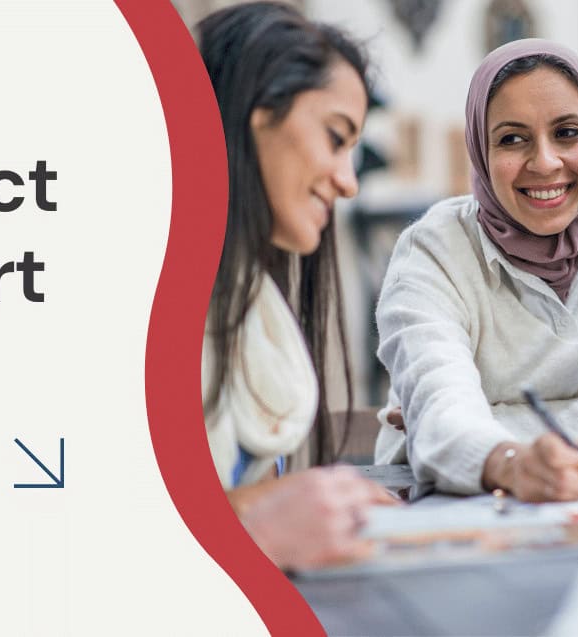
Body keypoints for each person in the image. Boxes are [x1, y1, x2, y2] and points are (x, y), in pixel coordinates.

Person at [374, 39, 578, 501]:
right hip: (455, 504)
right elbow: (441, 419)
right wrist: (508, 461)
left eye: (567, 132)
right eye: (511, 139)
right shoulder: (431, 251)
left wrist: (490, 423)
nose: (544, 162)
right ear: (480, 152)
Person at [197, 2, 392, 570]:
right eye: (336, 138)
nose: (349, 183)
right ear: (259, 113)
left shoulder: (246, 297)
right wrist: (259, 523)